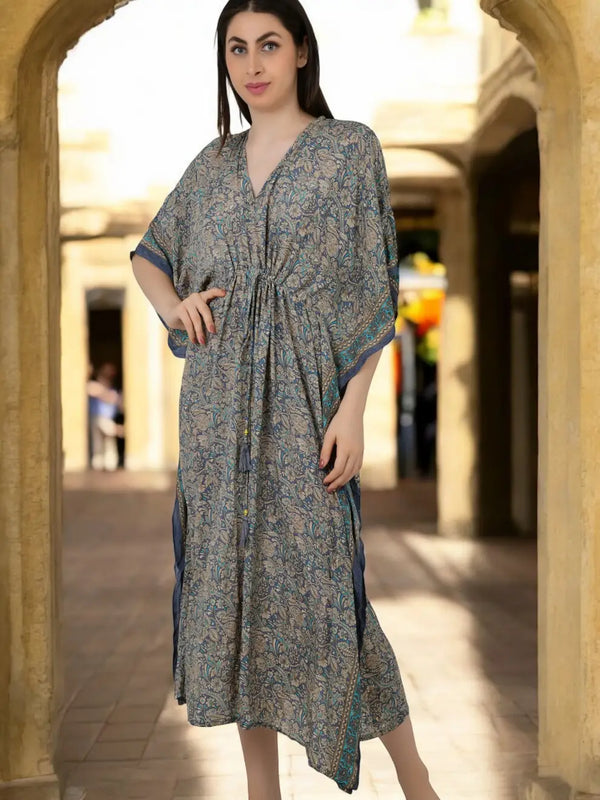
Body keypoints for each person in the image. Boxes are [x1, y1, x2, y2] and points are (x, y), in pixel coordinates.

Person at [130, 2, 441, 797]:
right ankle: (261, 792)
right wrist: (176, 308)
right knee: (239, 596)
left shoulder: (348, 152)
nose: (252, 64)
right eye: (236, 49)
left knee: (330, 594)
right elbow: (150, 256)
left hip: (307, 409)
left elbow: (372, 290)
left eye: (268, 45)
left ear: (301, 51)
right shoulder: (211, 165)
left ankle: (416, 780)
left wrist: (353, 410)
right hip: (217, 410)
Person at [87, 362, 124, 471]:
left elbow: (117, 402)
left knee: (109, 444)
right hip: (97, 417)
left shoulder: (113, 389)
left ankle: (110, 464)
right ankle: (98, 464)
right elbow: (95, 391)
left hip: (109, 418)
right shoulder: (94, 385)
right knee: (98, 444)